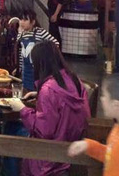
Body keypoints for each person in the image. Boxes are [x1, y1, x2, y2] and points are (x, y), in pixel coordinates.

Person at [9, 41, 90, 176]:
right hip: (71, 143)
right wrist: (39, 94)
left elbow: (44, 130)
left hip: (50, 153)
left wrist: (22, 109)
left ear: (40, 63)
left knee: (11, 129)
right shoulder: (73, 79)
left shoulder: (48, 89)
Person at [16, 10, 59, 91]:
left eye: (25, 20)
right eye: (21, 19)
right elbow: (21, 53)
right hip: (25, 72)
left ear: (33, 22)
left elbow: (55, 44)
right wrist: (19, 69)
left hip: (38, 71)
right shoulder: (21, 34)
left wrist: (45, 58)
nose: (22, 22)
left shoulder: (40, 32)